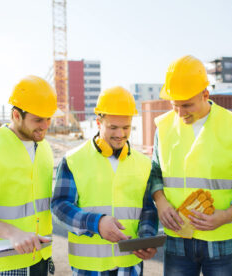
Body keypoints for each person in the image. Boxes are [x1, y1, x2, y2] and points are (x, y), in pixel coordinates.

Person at [150, 55, 232, 276]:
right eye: (175, 106)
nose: (180, 113)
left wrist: (228, 214)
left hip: (222, 239)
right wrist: (161, 202)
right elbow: (154, 173)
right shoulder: (163, 127)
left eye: (187, 105)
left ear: (205, 95)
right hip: (177, 239)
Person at [51, 86, 158, 276]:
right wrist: (96, 223)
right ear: (99, 123)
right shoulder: (74, 160)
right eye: (113, 127)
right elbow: (59, 206)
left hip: (129, 264)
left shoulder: (143, 164)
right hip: (89, 268)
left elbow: (148, 209)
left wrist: (147, 238)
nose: (120, 134)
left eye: (126, 128)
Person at [0, 75, 57, 275]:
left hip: (39, 260)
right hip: (4, 268)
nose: (45, 126)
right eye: (38, 119)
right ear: (16, 115)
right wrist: (12, 233)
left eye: (49, 118)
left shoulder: (44, 149)